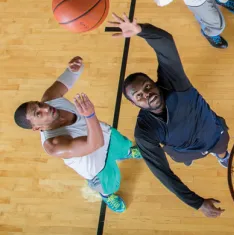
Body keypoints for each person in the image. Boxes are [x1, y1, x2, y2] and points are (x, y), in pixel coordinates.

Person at [108, 12, 230, 218]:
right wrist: (196, 203)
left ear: (155, 82)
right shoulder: (144, 133)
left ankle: (223, 156)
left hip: (214, 132)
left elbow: (166, 43)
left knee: (222, 148)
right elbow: (162, 173)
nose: (146, 94)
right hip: (186, 151)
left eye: (147, 86)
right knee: (191, 157)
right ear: (134, 103)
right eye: (139, 95)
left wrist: (140, 31)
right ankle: (215, 155)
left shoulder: (174, 83)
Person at [13, 56, 142, 213]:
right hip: (98, 167)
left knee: (124, 145)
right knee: (111, 185)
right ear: (36, 127)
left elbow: (72, 73)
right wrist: (89, 115)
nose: (46, 108)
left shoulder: (50, 98)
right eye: (38, 114)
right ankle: (107, 196)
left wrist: (75, 66)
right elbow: (94, 144)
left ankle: (127, 152)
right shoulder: (54, 145)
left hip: (107, 136)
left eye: (39, 104)